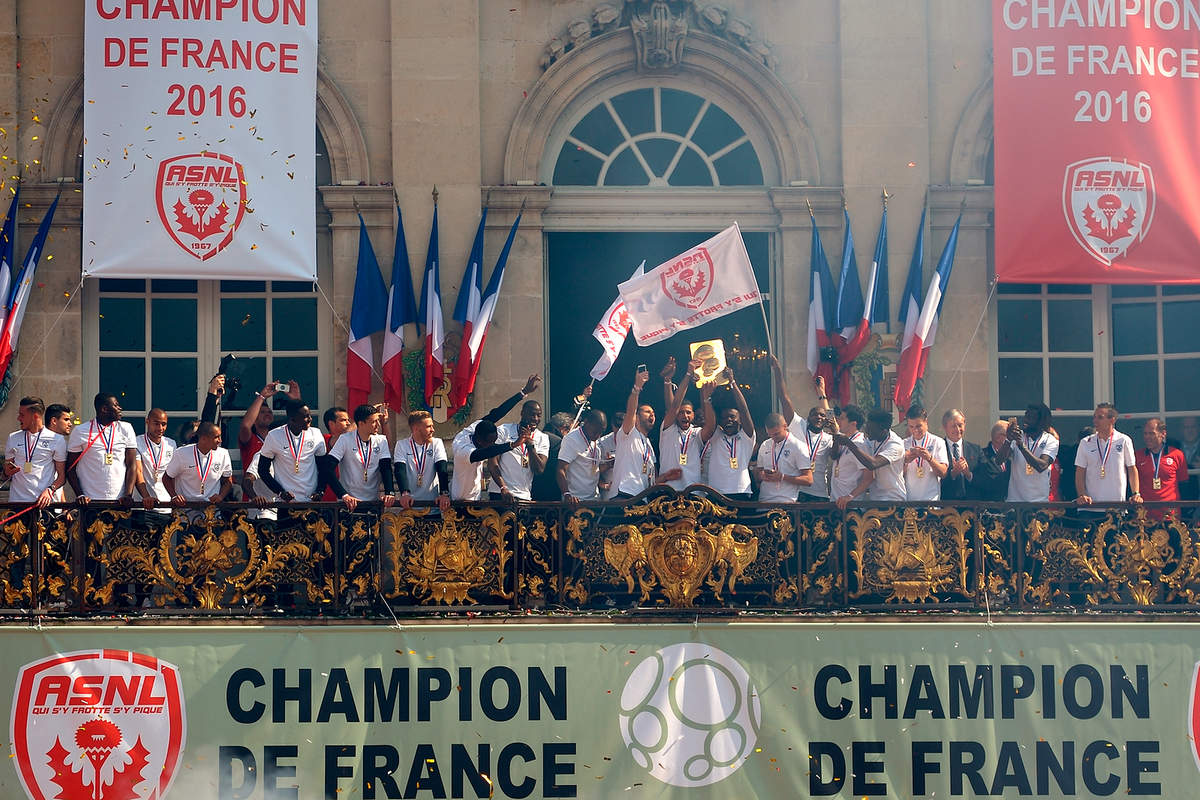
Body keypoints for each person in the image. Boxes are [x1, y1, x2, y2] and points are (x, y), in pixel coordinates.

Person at [451, 375, 541, 501]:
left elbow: (497, 413)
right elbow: (486, 452)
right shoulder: (462, 447)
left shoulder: (476, 427)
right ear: (480, 441)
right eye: (490, 443)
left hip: (477, 499)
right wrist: (513, 445)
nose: (492, 445)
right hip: (460, 501)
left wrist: (523, 392)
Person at [770, 354, 833, 500]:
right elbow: (784, 399)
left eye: (822, 416)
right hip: (796, 492)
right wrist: (778, 371)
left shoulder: (829, 438)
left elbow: (833, 422)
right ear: (807, 418)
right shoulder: (799, 425)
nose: (818, 417)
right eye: (814, 414)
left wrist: (822, 393)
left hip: (819, 493)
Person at [67, 393, 138, 504]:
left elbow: (132, 465)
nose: (120, 408)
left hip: (120, 501)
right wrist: (80, 494)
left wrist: (128, 494)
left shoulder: (126, 428)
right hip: (90, 501)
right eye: (116, 405)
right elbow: (70, 467)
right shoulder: (81, 431)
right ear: (104, 409)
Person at [322, 404, 396, 511]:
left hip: (373, 502)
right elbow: (328, 468)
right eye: (374, 421)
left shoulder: (381, 440)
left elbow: (386, 469)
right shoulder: (345, 439)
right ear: (361, 423)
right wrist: (343, 495)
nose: (378, 425)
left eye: (378, 421)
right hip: (349, 503)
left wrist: (390, 492)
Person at [255, 399, 328, 504]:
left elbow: (323, 468)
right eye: (305, 416)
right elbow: (262, 470)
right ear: (292, 419)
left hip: (311, 501)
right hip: (286, 503)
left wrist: (320, 491)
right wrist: (280, 492)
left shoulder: (316, 434)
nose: (310, 419)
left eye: (310, 415)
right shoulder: (274, 436)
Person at [699, 367, 756, 500]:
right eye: (724, 418)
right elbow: (707, 415)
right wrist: (704, 394)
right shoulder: (716, 435)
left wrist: (732, 383)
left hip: (741, 491)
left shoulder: (747, 436)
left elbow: (744, 409)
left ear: (740, 420)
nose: (728, 420)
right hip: (716, 492)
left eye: (732, 417)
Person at [832, 408, 906, 507]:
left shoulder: (895, 445)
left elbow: (873, 464)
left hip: (892, 500)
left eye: (871, 429)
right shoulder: (872, 439)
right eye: (867, 426)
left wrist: (849, 443)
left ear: (884, 431)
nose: (867, 431)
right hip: (874, 500)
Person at [3, 396, 67, 509]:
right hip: (17, 504)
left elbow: (61, 477)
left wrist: (50, 490)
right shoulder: (13, 438)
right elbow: (5, 474)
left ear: (35, 416)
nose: (18, 418)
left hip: (45, 505)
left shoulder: (57, 439)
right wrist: (6, 472)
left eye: (22, 415)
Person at [1075, 403, 1140, 506]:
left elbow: (1132, 468)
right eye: (1094, 417)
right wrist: (1082, 494)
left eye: (1100, 417)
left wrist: (1136, 493)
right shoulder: (1085, 442)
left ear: (1112, 420)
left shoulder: (1123, 440)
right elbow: (1080, 472)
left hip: (1117, 506)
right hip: (1090, 506)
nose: (1095, 421)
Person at [489, 398, 551, 502]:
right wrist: (503, 487)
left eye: (539, 415)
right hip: (501, 493)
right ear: (522, 413)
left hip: (524, 496)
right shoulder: (504, 431)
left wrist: (530, 445)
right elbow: (492, 463)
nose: (535, 418)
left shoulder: (542, 438)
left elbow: (539, 469)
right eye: (532, 414)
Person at [609, 366, 657, 500]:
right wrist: (637, 387)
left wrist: (667, 477)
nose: (651, 415)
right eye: (647, 412)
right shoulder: (629, 433)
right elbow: (630, 410)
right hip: (623, 495)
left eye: (653, 413)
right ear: (636, 417)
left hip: (641, 499)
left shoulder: (648, 445)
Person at [658, 357, 703, 491]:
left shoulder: (697, 432)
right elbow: (674, 405)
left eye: (688, 413)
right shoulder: (668, 429)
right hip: (667, 492)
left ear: (693, 415)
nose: (685, 416)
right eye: (681, 413)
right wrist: (688, 375)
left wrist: (705, 391)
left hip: (694, 493)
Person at [238, 379, 298, 478]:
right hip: (253, 491)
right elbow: (245, 426)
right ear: (254, 418)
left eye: (269, 412)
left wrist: (296, 400)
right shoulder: (250, 438)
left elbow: (300, 422)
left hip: (277, 490)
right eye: (262, 412)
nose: (267, 414)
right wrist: (262, 397)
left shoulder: (279, 438)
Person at [164, 421, 234, 504]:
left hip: (211, 509)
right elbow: (166, 477)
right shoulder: (182, 453)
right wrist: (174, 496)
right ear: (204, 438)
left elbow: (228, 481)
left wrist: (220, 496)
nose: (220, 440)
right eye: (216, 437)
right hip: (186, 509)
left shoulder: (223, 454)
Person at [1000, 403, 1058, 503]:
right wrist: (1008, 440)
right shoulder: (1017, 435)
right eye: (1026, 415)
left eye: (1031, 417)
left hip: (1039, 503)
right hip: (1015, 502)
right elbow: (999, 460)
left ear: (1041, 422)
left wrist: (1021, 446)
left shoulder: (1051, 440)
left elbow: (1041, 466)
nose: (1026, 420)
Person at [393, 410, 451, 510]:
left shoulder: (437, 443)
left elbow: (442, 469)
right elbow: (399, 470)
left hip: (432, 506)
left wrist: (444, 493)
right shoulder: (402, 445)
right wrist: (405, 494)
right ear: (416, 428)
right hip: (410, 506)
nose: (433, 430)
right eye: (429, 426)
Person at [754, 412, 813, 503]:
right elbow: (758, 473)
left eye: (776, 434)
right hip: (764, 502)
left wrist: (782, 477)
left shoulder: (798, 446)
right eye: (770, 435)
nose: (773, 438)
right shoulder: (765, 445)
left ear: (785, 426)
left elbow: (808, 480)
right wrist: (762, 475)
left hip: (786, 502)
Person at [1135, 418, 1187, 517]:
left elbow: (1184, 485)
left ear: (1163, 434)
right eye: (1145, 434)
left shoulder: (1177, 454)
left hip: (1171, 516)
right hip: (1146, 516)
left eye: (1151, 433)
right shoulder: (1137, 456)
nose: (1147, 437)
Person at [557, 408, 607, 505]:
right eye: (595, 431)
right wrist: (567, 494)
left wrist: (608, 465)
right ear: (586, 423)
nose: (598, 435)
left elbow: (592, 469)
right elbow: (560, 469)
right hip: (576, 501)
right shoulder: (572, 439)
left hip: (595, 500)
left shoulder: (596, 443)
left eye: (601, 432)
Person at [133, 408, 175, 514]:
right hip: (143, 505)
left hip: (166, 505)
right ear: (147, 422)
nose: (160, 428)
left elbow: (173, 474)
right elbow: (138, 471)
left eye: (163, 424)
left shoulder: (171, 444)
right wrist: (146, 497)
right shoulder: (137, 442)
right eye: (156, 423)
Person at [902, 405, 948, 501]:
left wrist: (929, 459)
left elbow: (943, 473)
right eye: (911, 427)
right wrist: (906, 461)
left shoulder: (938, 442)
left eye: (919, 426)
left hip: (931, 502)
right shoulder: (903, 443)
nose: (915, 430)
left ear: (926, 422)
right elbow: (898, 475)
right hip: (909, 502)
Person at [828, 405, 868, 506]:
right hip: (836, 501)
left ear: (853, 424)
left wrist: (851, 496)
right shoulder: (844, 440)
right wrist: (836, 433)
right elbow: (834, 455)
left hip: (852, 505)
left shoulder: (860, 444)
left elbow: (869, 477)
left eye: (842, 419)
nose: (838, 421)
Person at [940, 409, 981, 501]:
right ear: (945, 427)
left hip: (970, 505)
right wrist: (952, 474)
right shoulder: (938, 448)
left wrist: (968, 474)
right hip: (946, 505)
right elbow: (933, 481)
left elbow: (983, 479)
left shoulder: (975, 450)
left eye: (960, 425)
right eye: (953, 426)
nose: (958, 429)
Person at [531, 412, 572, 501]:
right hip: (551, 492)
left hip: (532, 490)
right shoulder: (558, 442)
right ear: (563, 428)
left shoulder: (538, 437)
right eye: (569, 431)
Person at [972, 421, 1011, 502]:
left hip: (1013, 506)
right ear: (997, 437)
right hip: (991, 507)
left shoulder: (1013, 455)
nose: (1011, 439)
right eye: (1008, 436)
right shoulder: (982, 456)